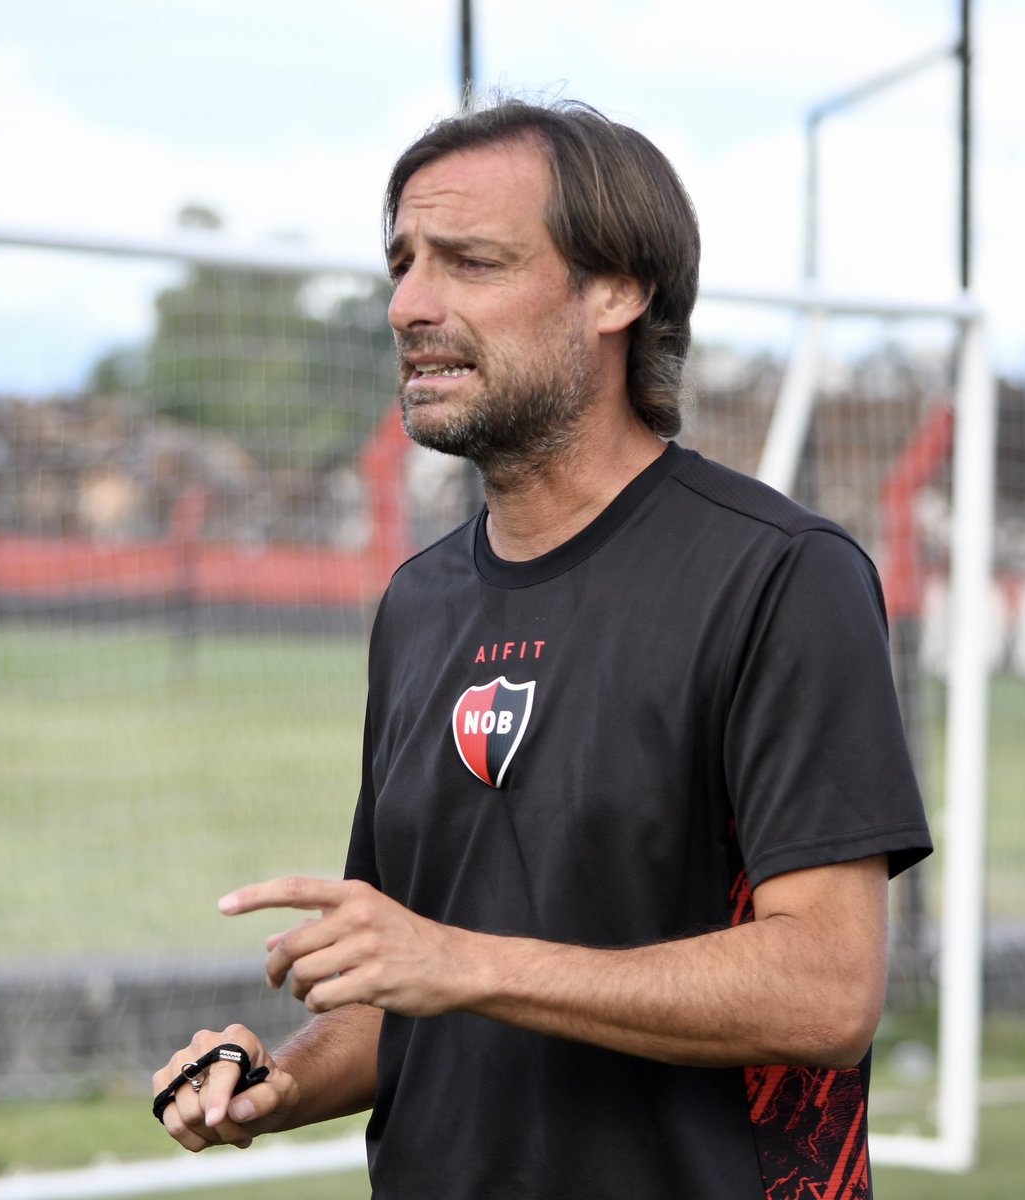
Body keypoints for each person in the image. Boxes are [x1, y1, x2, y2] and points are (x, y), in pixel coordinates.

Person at [154, 96, 932, 1199]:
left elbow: (828, 990)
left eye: (470, 262)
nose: (410, 305)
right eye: (403, 263)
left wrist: (462, 961)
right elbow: (405, 992)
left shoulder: (780, 574)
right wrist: (279, 1077)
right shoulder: (419, 604)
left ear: (617, 291)